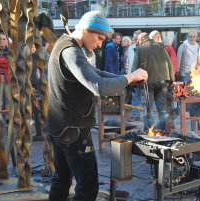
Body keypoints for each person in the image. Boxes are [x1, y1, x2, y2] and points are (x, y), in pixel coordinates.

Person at [46, 11, 148, 201]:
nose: (100, 44)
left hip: (60, 126)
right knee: (87, 188)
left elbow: (95, 72)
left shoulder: (65, 44)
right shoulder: (71, 52)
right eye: (99, 38)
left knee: (61, 179)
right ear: (86, 30)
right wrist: (130, 77)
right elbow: (98, 86)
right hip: (72, 129)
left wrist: (125, 80)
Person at [132, 32, 174, 131]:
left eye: (138, 40)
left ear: (141, 39)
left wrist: (133, 80)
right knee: (162, 108)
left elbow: (134, 68)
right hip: (162, 80)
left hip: (147, 82)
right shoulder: (160, 46)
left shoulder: (140, 49)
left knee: (148, 108)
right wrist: (171, 80)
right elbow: (169, 63)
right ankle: (165, 130)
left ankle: (149, 131)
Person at [0, 33, 10, 124]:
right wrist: (4, 61)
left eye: (4, 39)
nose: (2, 41)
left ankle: (8, 118)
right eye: (0, 39)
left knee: (8, 99)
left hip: (8, 77)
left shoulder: (10, 50)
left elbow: (10, 62)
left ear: (7, 41)